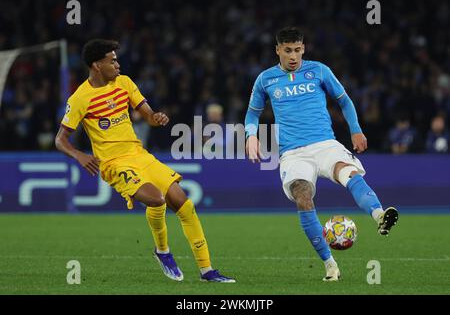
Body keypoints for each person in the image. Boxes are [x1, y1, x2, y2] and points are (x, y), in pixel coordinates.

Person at [55, 39, 235, 283]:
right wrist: (80, 155)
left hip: (140, 155)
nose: (118, 64)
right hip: (115, 163)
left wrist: (155, 117)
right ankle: (163, 251)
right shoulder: (80, 99)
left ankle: (207, 271)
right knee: (156, 199)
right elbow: (60, 140)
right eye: (112, 61)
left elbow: (146, 114)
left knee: (184, 204)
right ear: (97, 65)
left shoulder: (124, 83)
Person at [244, 27, 398, 282]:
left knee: (348, 172)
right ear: (278, 50)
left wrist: (356, 130)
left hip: (325, 143)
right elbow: (252, 113)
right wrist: (251, 135)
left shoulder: (319, 70)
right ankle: (330, 264)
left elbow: (345, 100)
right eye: (288, 50)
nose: (293, 56)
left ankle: (379, 215)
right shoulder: (265, 79)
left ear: (303, 48)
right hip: (293, 153)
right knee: (303, 197)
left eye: (297, 50)